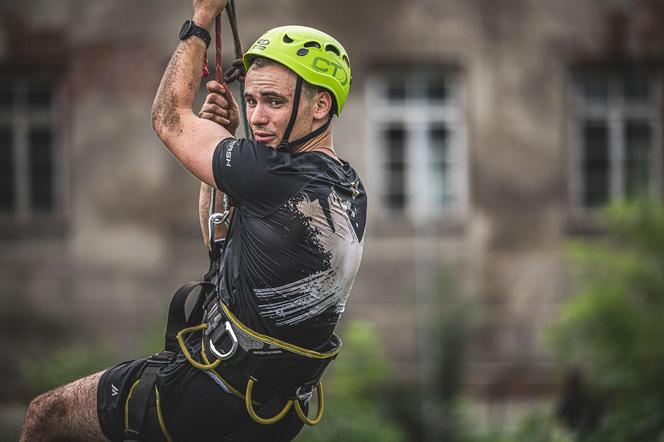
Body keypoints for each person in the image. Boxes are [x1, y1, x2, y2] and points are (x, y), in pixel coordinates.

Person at [19, 0, 367, 440]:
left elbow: (168, 118)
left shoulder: (269, 173)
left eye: (275, 102)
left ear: (320, 107)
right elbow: (219, 241)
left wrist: (201, 20)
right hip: (274, 412)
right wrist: (224, 162)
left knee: (47, 417)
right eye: (253, 99)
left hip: (209, 390)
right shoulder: (346, 187)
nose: (257, 117)